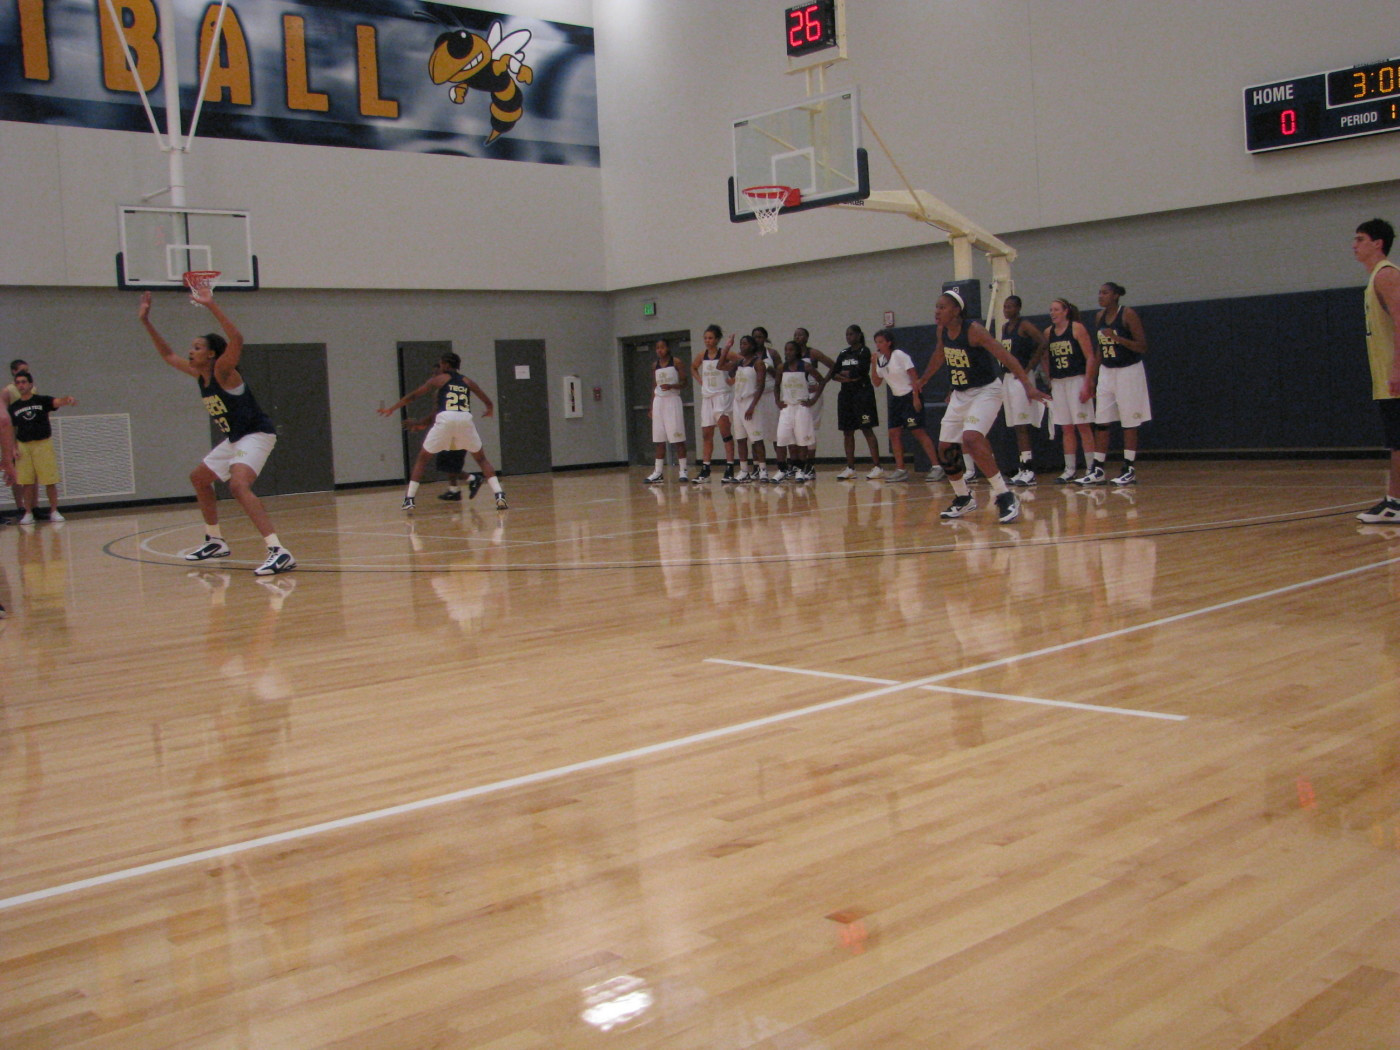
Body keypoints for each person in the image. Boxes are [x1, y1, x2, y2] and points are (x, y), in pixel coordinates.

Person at [139, 288, 296, 576]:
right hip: (236, 437)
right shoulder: (200, 375)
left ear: (211, 353)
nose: (191, 351)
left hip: (257, 433)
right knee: (199, 478)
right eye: (192, 347)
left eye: (197, 347)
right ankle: (215, 541)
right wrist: (146, 322)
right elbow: (168, 355)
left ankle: (278, 550)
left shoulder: (224, 370)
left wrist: (211, 304)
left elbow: (237, 339)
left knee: (237, 486)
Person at [917, 289, 1049, 523]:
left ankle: (1005, 495)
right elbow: (940, 354)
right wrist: (924, 379)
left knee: (971, 438)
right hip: (960, 394)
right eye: (936, 307)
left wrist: (1028, 385)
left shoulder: (974, 330)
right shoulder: (943, 331)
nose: (936, 311)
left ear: (956, 310)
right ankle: (963, 498)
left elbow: (1006, 357)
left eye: (942, 307)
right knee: (945, 448)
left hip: (986, 391)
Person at [379, 353, 507, 510]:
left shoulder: (439, 380)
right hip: (465, 419)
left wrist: (392, 409)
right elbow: (487, 400)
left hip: (446, 418)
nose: (439, 367)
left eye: (440, 365)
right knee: (481, 459)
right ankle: (499, 495)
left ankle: (409, 499)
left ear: (446, 365)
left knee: (422, 459)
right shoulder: (467, 381)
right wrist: (489, 410)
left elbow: (413, 396)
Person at [1354, 218, 1400, 523]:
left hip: (1394, 375)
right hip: (1384, 375)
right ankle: (1394, 501)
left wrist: (1397, 367)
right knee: (1396, 440)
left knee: (1399, 440)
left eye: (1360, 239)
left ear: (1377, 243)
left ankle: (1395, 503)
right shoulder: (1375, 279)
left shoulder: (1386, 275)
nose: (1354, 245)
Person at [1088, 281, 1151, 486]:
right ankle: (1097, 468)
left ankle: (1128, 467)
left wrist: (1118, 338)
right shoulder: (1099, 317)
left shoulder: (1128, 314)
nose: (1100, 296)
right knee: (1102, 421)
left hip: (1128, 371)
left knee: (1128, 421)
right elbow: (1099, 349)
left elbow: (1142, 346)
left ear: (1115, 295)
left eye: (1105, 293)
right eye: (1099, 292)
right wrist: (1092, 378)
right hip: (1107, 371)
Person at [7, 371, 77, 524]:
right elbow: (12, 429)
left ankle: (54, 511)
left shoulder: (42, 400)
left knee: (49, 479)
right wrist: (13, 447)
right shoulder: (14, 407)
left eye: (24, 382)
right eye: (18, 382)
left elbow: (57, 402)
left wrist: (67, 400)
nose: (21, 385)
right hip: (23, 445)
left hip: (43, 444)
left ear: (30, 384)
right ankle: (28, 512)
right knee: (27, 481)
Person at [1043, 298, 1099, 484]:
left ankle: (1092, 468)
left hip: (1077, 380)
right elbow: (1044, 357)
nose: (1052, 313)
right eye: (1051, 310)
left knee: (1083, 425)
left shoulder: (1076, 328)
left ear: (1066, 311)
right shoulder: (1048, 333)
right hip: (1059, 383)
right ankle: (1070, 469)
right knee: (1066, 427)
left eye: (1056, 309)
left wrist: (1088, 383)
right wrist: (1049, 378)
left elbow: (1090, 356)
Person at [870, 329, 938, 482]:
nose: (878, 345)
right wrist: (873, 364)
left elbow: (914, 375)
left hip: (909, 395)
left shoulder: (899, 355)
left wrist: (916, 397)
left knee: (918, 431)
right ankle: (900, 469)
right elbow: (876, 382)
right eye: (876, 342)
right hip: (896, 399)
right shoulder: (880, 361)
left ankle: (936, 466)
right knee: (894, 433)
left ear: (889, 342)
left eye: (881, 341)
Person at [996, 295, 1049, 485]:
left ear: (1018, 308)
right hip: (1008, 378)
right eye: (1005, 306)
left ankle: (1029, 469)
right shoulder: (1004, 328)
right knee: (1016, 425)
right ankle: (1023, 466)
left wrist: (1029, 368)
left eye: (1010, 306)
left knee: (1023, 423)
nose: (1006, 309)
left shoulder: (1025, 325)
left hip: (1022, 378)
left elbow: (1043, 342)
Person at [821, 324, 882, 479]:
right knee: (847, 431)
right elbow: (834, 373)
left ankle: (877, 466)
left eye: (851, 334)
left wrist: (847, 374)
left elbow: (860, 372)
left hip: (862, 394)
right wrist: (846, 376)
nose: (848, 337)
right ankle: (850, 468)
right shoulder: (843, 353)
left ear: (859, 335)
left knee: (867, 428)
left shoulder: (864, 351)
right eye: (847, 334)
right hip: (846, 396)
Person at [691, 324, 736, 483]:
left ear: (717, 339)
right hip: (707, 397)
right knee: (706, 434)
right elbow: (693, 368)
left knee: (725, 433)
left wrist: (733, 379)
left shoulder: (724, 353)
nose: (707, 341)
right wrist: (701, 381)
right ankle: (705, 469)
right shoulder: (701, 355)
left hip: (722, 395)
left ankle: (730, 467)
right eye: (705, 338)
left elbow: (742, 363)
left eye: (710, 338)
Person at [642, 338, 690, 483]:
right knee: (659, 439)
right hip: (659, 402)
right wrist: (651, 406)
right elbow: (653, 386)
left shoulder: (676, 362)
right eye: (657, 348)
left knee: (678, 438)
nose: (659, 350)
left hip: (672, 400)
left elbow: (685, 382)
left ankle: (683, 470)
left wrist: (672, 386)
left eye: (662, 347)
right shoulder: (654, 365)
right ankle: (658, 472)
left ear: (668, 348)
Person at [726, 335, 771, 482]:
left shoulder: (758, 363)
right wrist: (727, 347)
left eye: (745, 344)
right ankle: (744, 470)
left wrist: (752, 406)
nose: (742, 346)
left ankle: (763, 470)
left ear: (752, 346)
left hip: (751, 402)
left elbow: (761, 386)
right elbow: (720, 366)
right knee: (740, 439)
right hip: (738, 403)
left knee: (757, 439)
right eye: (740, 344)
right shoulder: (739, 362)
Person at [793, 327, 835, 480]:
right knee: (798, 430)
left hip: (812, 395)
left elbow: (833, 365)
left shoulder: (813, 353)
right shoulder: (792, 355)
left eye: (801, 334)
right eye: (795, 335)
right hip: (797, 396)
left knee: (810, 429)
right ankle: (800, 465)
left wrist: (821, 383)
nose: (798, 337)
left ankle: (810, 466)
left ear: (807, 337)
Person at [774, 340, 818, 481]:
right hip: (787, 407)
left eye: (791, 350)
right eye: (786, 350)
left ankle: (800, 470)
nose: (788, 352)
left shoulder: (805, 366)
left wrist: (813, 400)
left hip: (801, 407)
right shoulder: (781, 367)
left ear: (797, 351)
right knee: (781, 438)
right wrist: (777, 400)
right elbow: (776, 385)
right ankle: (781, 469)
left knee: (801, 441)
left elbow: (821, 381)